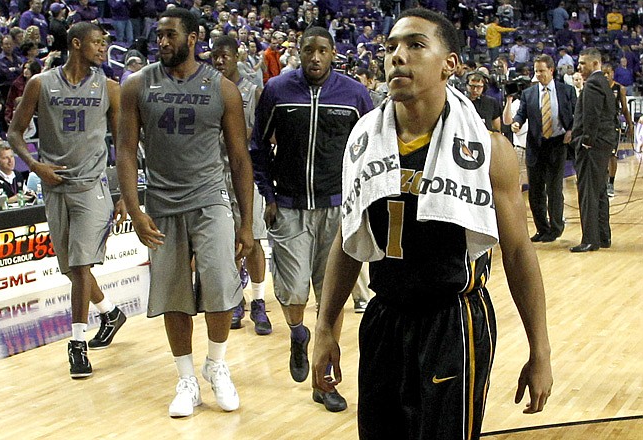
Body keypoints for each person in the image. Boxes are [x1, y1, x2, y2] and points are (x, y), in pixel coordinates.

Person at [312, 8, 553, 439]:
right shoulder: (364, 141)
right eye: (390, 47)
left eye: (415, 45)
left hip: (453, 320)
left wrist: (541, 350)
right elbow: (350, 239)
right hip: (385, 316)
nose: (397, 56)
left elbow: (517, 252)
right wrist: (325, 327)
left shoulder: (488, 150)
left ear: (450, 64)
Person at [116, 8, 253, 417]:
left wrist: (247, 222)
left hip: (211, 199)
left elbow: (240, 158)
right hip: (161, 202)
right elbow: (124, 151)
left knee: (219, 282)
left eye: (170, 35)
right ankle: (186, 378)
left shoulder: (222, 88)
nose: (162, 42)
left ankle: (216, 364)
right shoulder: (137, 85)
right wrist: (136, 209)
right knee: (173, 295)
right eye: (158, 35)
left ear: (194, 38)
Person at [250, 26, 373, 412]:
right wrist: (268, 194)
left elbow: (371, 149)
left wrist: (361, 201)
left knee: (331, 300)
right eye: (308, 51)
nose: (315, 57)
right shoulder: (277, 91)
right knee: (293, 293)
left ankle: (326, 383)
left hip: (337, 210)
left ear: (333, 53)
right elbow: (257, 147)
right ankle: (298, 333)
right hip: (287, 205)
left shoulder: (354, 94)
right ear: (298, 53)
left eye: (322, 51)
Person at [7, 22, 128, 379]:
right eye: (96, 42)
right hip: (53, 185)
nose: (103, 47)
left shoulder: (110, 88)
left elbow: (122, 146)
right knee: (73, 268)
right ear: (76, 44)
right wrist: (33, 165)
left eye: (105, 42)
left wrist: (123, 194)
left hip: (92, 185)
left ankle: (76, 344)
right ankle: (110, 312)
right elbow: (14, 132)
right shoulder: (40, 84)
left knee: (78, 267)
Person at [210, 35, 272, 336]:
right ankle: (236, 298)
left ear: (237, 56)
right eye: (215, 56)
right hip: (216, 173)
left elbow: (266, 137)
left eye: (225, 55)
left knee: (253, 239)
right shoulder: (207, 89)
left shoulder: (254, 91)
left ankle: (259, 301)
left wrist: (244, 134)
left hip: (247, 173)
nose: (220, 61)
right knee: (226, 244)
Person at [512, 55, 576, 243]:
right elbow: (521, 114)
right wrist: (516, 123)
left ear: (551, 70)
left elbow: (576, 114)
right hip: (535, 145)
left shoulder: (567, 91)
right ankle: (541, 228)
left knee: (554, 189)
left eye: (541, 70)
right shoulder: (528, 93)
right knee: (536, 190)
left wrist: (571, 130)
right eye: (536, 70)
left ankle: (556, 228)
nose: (538, 74)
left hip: (557, 143)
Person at [570, 48, 618, 252]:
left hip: (593, 145)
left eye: (583, 63)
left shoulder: (592, 85)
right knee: (599, 191)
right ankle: (603, 235)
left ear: (595, 64)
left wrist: (586, 141)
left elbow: (592, 116)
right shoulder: (604, 84)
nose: (579, 67)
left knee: (588, 191)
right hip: (604, 143)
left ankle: (590, 239)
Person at [602, 63, 634, 198]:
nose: (605, 75)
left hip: (613, 124)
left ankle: (611, 182)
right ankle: (602, 181)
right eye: (603, 73)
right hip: (600, 125)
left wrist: (630, 125)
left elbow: (625, 109)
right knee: (601, 155)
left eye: (608, 73)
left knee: (612, 155)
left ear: (613, 73)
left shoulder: (619, 88)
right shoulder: (597, 88)